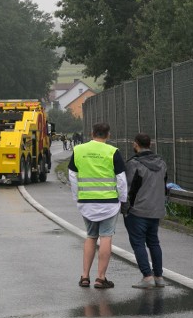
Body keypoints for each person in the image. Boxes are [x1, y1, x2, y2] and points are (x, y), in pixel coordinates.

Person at [69, 122, 128, 289]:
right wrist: (122, 200)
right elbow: (121, 180)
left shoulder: (79, 150)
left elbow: (72, 176)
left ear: (91, 133)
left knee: (90, 236)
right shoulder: (112, 152)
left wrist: (77, 197)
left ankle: (85, 276)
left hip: (86, 201)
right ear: (108, 135)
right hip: (109, 202)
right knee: (106, 237)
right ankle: (101, 278)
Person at [123, 133, 168, 288]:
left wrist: (125, 207)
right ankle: (159, 277)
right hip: (156, 209)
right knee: (154, 242)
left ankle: (147, 277)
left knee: (138, 243)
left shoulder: (133, 163)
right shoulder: (161, 162)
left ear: (135, 144)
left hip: (138, 211)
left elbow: (127, 188)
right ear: (151, 144)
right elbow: (164, 185)